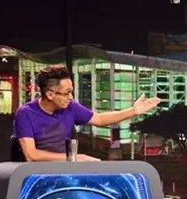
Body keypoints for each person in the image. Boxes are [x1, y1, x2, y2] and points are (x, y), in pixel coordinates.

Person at [13, 66, 161, 162]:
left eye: (71, 92)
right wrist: (75, 158)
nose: (70, 97)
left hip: (64, 170)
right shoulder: (25, 114)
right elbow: (31, 155)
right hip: (35, 175)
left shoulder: (70, 107)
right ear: (50, 94)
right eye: (66, 93)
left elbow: (100, 119)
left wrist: (133, 111)